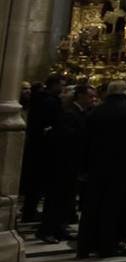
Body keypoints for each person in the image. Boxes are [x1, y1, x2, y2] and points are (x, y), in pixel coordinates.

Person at [78, 80, 126, 258]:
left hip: (97, 164)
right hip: (124, 165)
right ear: (125, 92)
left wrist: (84, 166)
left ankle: (86, 244)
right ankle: (111, 243)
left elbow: (85, 141)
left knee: (93, 206)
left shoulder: (95, 111)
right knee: (117, 206)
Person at [38, 83, 93, 243]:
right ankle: (46, 230)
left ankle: (59, 228)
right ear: (80, 96)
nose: (93, 99)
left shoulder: (80, 113)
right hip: (63, 163)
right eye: (90, 96)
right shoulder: (70, 113)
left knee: (66, 199)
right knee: (56, 198)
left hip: (73, 163)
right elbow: (66, 138)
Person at [20, 75, 65, 223]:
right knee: (37, 181)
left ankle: (29, 210)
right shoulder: (49, 101)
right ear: (54, 85)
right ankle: (30, 211)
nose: (62, 89)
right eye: (61, 85)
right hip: (44, 146)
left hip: (37, 143)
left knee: (35, 182)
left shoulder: (40, 98)